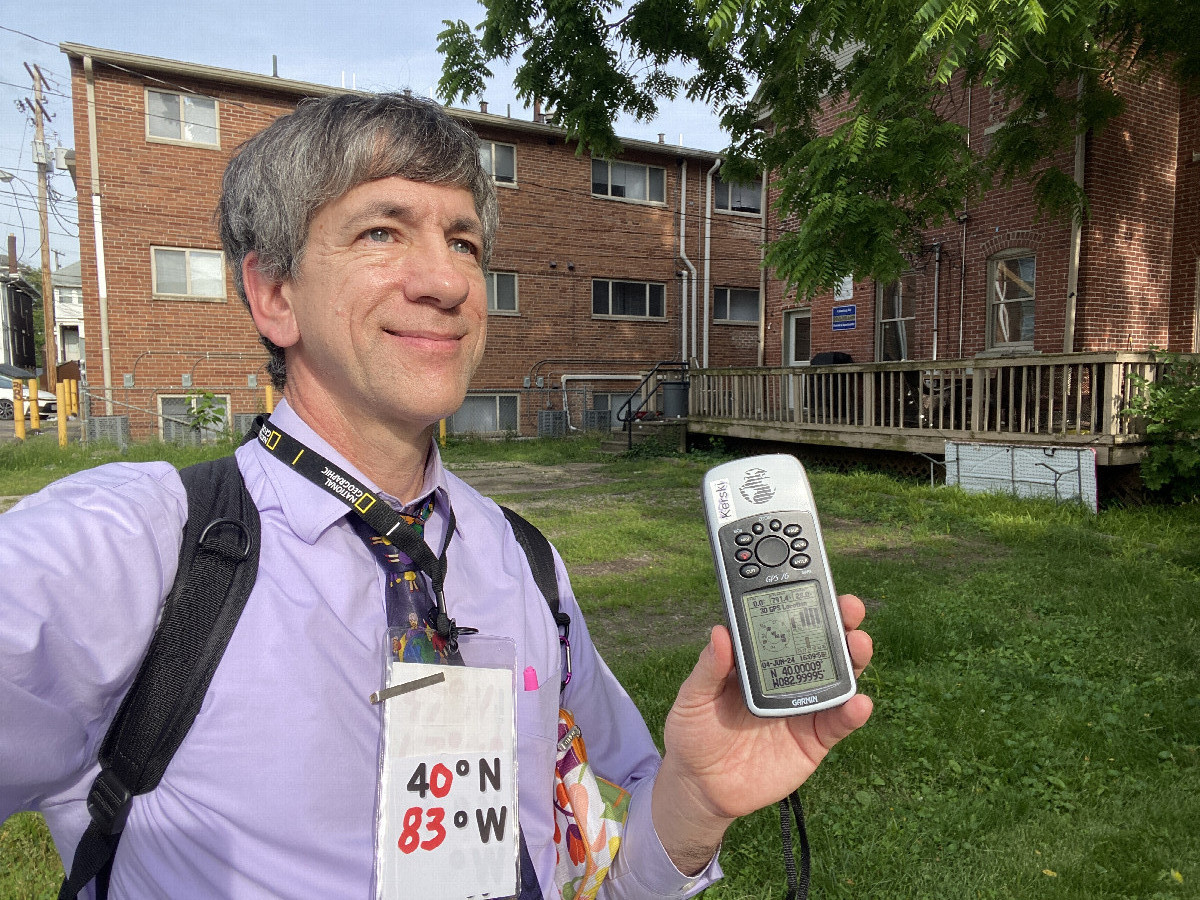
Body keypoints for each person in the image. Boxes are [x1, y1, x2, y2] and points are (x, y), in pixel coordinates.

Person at [0, 93, 872, 898]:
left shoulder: (522, 563)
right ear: (273, 294)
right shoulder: (133, 549)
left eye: (464, 243)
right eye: (383, 231)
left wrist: (695, 800)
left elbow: (614, 860)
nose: (449, 282)